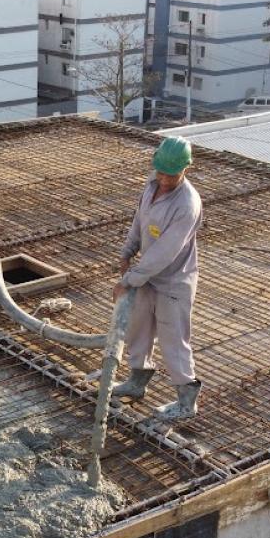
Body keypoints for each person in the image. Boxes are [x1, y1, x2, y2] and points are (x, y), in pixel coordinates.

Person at [111, 136, 204, 420]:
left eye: (170, 174)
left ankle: (187, 402)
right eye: (160, 171)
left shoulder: (187, 204)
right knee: (138, 329)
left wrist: (128, 280)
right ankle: (137, 382)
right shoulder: (152, 184)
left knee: (173, 338)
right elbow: (140, 220)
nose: (163, 179)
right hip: (147, 277)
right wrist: (127, 252)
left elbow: (164, 253)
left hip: (174, 281)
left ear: (185, 169)